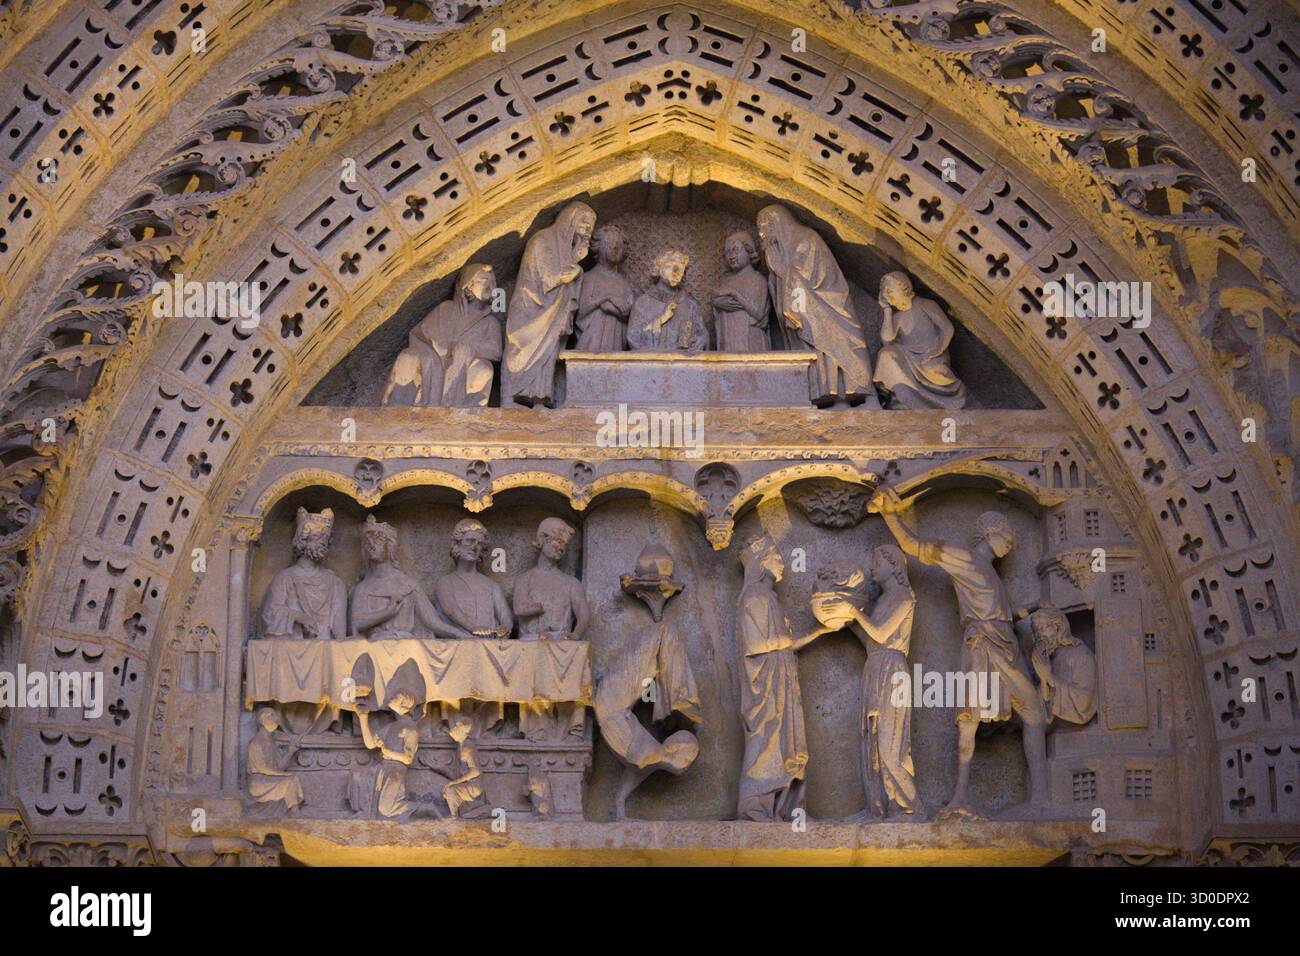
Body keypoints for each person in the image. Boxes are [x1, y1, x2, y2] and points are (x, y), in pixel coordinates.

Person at [871, 485, 1048, 817]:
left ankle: (1038, 800)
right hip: (983, 644)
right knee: (971, 719)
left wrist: (1039, 605)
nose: (1010, 543)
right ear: (988, 532)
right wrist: (889, 513)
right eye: (1006, 536)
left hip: (1004, 644)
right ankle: (961, 797)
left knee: (1033, 712)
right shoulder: (964, 557)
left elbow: (1005, 610)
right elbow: (913, 545)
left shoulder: (991, 573)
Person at [810, 546, 922, 819]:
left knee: (889, 745)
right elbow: (872, 641)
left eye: (877, 561)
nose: (872, 568)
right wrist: (848, 623)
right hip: (875, 665)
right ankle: (878, 809)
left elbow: (883, 634)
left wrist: (854, 612)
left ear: (894, 565)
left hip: (892, 670)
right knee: (871, 740)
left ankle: (908, 809)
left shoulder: (904, 597)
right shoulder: (884, 600)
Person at [735, 534, 823, 821]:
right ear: (761, 562)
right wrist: (796, 639)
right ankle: (755, 807)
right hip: (767, 684)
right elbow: (756, 644)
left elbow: (779, 641)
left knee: (788, 744)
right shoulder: (755, 596)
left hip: (781, 678)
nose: (782, 564)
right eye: (776, 557)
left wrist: (818, 633)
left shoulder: (767, 597)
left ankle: (788, 809)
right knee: (767, 741)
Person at [756, 204, 876, 407]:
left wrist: (783, 272)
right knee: (816, 356)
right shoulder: (777, 252)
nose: (761, 233)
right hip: (805, 311)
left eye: (765, 226)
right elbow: (786, 285)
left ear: (778, 223)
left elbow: (812, 279)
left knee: (838, 346)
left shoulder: (805, 240)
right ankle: (831, 398)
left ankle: (863, 394)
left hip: (826, 307)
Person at [505, 202, 596, 406]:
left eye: (591, 226)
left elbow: (567, 283)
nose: (588, 229)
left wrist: (577, 261)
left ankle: (540, 399)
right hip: (532, 310)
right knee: (526, 353)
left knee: (548, 355)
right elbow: (548, 279)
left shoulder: (566, 251)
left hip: (553, 315)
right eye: (584, 222)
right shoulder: (542, 240)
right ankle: (513, 398)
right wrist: (575, 271)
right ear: (569, 219)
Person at [512, 517, 590, 741]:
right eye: (556, 543)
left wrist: (575, 634)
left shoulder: (570, 583)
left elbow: (583, 613)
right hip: (531, 642)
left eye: (563, 547)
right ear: (542, 540)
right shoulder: (525, 579)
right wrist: (537, 609)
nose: (560, 550)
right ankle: (536, 730)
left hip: (561, 642)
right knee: (532, 662)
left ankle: (571, 728)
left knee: (578, 655)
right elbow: (519, 608)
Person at [350, 515, 471, 640]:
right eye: (367, 541)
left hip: (406, 646)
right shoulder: (363, 588)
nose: (371, 544)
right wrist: (387, 612)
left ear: (390, 546)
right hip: (376, 647)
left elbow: (433, 622)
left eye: (378, 540)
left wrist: (459, 634)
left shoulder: (407, 584)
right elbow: (356, 624)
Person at [403, 263, 502, 407]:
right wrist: (440, 349)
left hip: (467, 368)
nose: (489, 286)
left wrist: (470, 348)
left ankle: (466, 410)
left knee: (484, 368)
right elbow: (421, 335)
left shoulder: (490, 322)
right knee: (409, 358)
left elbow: (496, 352)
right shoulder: (446, 310)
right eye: (482, 281)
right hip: (438, 362)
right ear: (468, 286)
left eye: (492, 282)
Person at [873, 271, 967, 409]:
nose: (886, 295)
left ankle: (938, 399)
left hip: (931, 354)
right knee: (886, 354)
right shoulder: (896, 317)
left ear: (904, 287)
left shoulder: (925, 304)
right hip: (909, 356)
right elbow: (887, 341)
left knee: (934, 369)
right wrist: (887, 311)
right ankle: (902, 399)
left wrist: (937, 351)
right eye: (883, 292)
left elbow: (947, 328)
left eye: (889, 290)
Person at [627, 249, 709, 352]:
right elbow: (634, 339)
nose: (676, 272)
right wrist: (660, 321)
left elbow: (701, 338)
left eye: (680, 268)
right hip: (651, 366)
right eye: (670, 266)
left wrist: (692, 342)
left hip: (683, 365)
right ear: (658, 269)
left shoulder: (691, 307)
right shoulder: (642, 304)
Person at [575, 225, 635, 352]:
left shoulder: (625, 284)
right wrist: (606, 298)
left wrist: (613, 309)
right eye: (609, 242)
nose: (615, 247)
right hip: (590, 342)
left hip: (617, 344)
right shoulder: (588, 278)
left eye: (619, 244)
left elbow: (630, 315)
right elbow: (580, 311)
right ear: (598, 247)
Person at [711, 231, 771, 351]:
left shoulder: (757, 279)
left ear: (749, 251)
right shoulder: (725, 280)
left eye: (735, 250)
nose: (731, 256)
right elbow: (715, 298)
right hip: (728, 337)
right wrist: (717, 303)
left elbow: (758, 313)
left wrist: (735, 294)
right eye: (727, 253)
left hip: (750, 339)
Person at [247, 708, 305, 813]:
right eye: (270, 716)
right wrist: (283, 775)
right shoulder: (255, 743)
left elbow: (279, 767)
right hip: (259, 782)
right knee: (290, 781)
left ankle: (295, 812)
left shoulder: (271, 743)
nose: (274, 719)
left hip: (270, 779)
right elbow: (261, 768)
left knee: (293, 778)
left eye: (274, 715)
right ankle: (295, 813)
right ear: (261, 720)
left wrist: (290, 751)